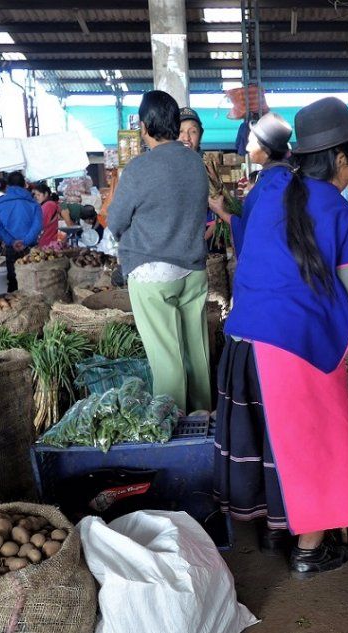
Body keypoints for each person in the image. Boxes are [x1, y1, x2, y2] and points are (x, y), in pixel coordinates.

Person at [215, 97, 348, 576]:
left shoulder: (272, 189)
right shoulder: (341, 213)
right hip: (292, 348)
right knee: (318, 442)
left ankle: (277, 531)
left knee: (271, 443)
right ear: (340, 159)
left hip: (241, 341)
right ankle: (309, 550)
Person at [107, 90, 211, 413]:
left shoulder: (139, 169)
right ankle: (204, 418)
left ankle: (173, 423)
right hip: (193, 269)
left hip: (153, 273)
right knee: (196, 351)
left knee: (167, 356)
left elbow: (115, 221)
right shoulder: (196, 163)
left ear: (144, 126)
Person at [209, 112, 292, 256]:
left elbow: (251, 229)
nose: (247, 148)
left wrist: (221, 211)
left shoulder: (274, 184)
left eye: (251, 142)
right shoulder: (276, 176)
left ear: (265, 149)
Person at [0, 171, 42, 291]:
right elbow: (37, 226)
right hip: (31, 249)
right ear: (25, 185)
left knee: (13, 283)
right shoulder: (34, 204)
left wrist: (12, 241)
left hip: (10, 248)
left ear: (7, 186)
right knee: (32, 283)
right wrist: (25, 241)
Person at [32, 182, 61, 248]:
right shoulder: (49, 204)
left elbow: (41, 224)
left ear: (46, 194)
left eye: (38, 195)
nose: (36, 197)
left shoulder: (48, 205)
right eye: (35, 195)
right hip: (50, 241)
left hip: (48, 243)